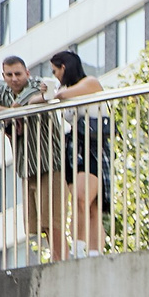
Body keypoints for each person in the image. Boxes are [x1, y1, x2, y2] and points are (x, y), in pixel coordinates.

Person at [0, 56, 64, 262]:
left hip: (50, 160)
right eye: (9, 74)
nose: (14, 79)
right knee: (39, 222)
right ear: (4, 75)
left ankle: (61, 260)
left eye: (18, 74)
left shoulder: (36, 84)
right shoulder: (4, 92)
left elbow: (31, 98)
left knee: (53, 218)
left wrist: (14, 111)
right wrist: (10, 112)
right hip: (27, 164)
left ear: (27, 73)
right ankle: (55, 258)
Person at [44, 50, 106, 257]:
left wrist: (54, 93)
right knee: (81, 202)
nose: (55, 76)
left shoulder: (90, 82)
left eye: (55, 71)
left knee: (86, 200)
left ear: (64, 67)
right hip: (73, 147)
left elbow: (61, 95)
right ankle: (82, 248)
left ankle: (88, 249)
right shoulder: (68, 89)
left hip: (94, 145)